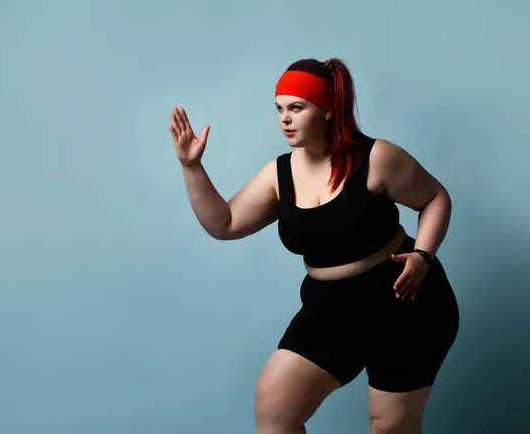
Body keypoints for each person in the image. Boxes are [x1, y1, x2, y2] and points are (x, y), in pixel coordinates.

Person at [168, 58, 459, 434]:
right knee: (275, 410)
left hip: (403, 302)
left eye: (296, 108)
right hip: (330, 308)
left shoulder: (376, 158)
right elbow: (224, 224)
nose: (284, 119)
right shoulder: (279, 173)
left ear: (326, 111)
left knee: (390, 426)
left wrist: (422, 255)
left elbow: (435, 197)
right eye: (279, 108)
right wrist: (192, 167)